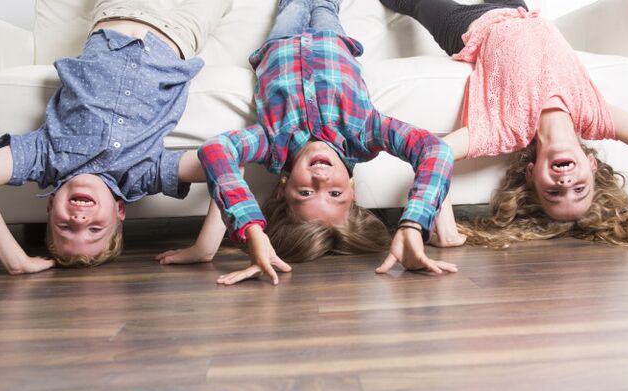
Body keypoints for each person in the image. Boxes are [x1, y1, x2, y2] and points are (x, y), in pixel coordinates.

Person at [159, 0, 460, 285]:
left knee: (291, 5)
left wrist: (248, 227)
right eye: (335, 193)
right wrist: (413, 224)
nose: (320, 178)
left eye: (305, 192)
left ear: (283, 188)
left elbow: (216, 150)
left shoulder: (271, 144)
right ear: (352, 190)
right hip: (332, 39)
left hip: (281, 41)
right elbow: (436, 150)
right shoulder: (366, 133)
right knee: (325, 4)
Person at [379, 0, 628, 249]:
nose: (565, 185)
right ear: (591, 165)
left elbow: (436, 152)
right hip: (519, 9)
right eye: (579, 189)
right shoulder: (593, 113)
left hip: (467, 25)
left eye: (553, 194)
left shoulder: (507, 130)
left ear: (532, 174)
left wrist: (443, 229)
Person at [0, 0, 231, 274]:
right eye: (94, 229)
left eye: (65, 227)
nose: (79, 218)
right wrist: (205, 248)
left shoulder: (45, 156)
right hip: (180, 29)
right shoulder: (142, 174)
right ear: (119, 212)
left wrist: (15, 261)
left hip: (120, 12)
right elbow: (224, 161)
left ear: (50, 206)